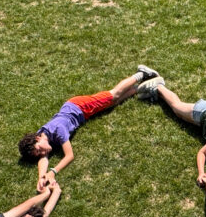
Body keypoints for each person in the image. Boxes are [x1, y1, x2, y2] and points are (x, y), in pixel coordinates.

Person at [18, 67, 159, 191]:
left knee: (113, 95)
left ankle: (141, 74)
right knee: (112, 103)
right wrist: (42, 177)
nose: (43, 152)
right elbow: (43, 158)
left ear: (37, 138)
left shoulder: (58, 130)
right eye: (38, 153)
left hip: (81, 106)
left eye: (39, 149)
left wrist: (53, 171)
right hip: (79, 111)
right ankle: (142, 87)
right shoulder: (41, 136)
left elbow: (69, 156)